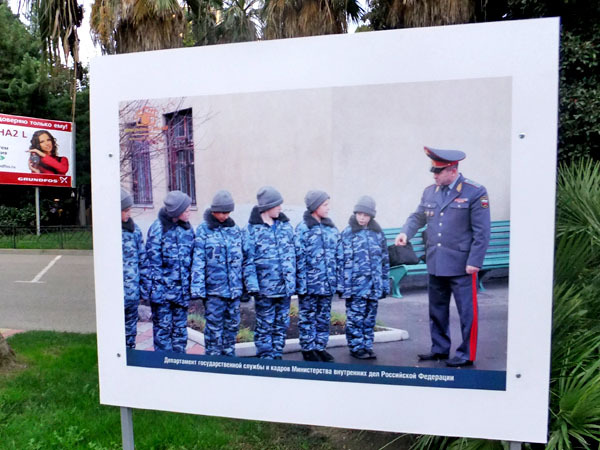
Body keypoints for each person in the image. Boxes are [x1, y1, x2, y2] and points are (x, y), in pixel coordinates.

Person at [395, 146, 491, 367]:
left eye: (438, 171)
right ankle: (439, 348)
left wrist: (475, 261)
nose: (434, 175)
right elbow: (418, 216)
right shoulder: (430, 191)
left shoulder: (474, 192)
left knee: (467, 312)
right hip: (436, 261)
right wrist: (405, 233)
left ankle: (466, 354)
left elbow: (482, 231)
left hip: (462, 264)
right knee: (437, 309)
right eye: (434, 171)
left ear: (453, 170)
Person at [191, 190, 252, 357]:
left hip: (234, 291)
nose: (225, 216)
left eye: (228, 212)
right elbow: (198, 260)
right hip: (214, 292)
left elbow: (244, 258)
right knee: (214, 330)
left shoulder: (235, 230)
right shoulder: (204, 230)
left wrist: (246, 286)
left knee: (232, 327)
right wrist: (197, 288)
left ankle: (229, 359)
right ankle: (213, 361)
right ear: (214, 210)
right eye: (222, 212)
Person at [242, 186, 296, 359]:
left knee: (282, 324)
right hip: (264, 289)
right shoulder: (251, 230)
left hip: (284, 288)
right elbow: (248, 261)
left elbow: (294, 255)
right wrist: (252, 286)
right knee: (265, 325)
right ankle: (265, 356)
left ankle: (277, 353)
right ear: (267, 206)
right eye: (277, 204)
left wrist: (293, 280)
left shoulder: (286, 227)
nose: (280, 208)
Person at [338, 196, 390, 360]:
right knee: (355, 317)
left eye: (365, 215)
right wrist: (343, 286)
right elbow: (341, 261)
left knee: (369, 317)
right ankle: (356, 347)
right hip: (355, 286)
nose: (361, 218)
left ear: (371, 216)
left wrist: (384, 283)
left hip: (374, 284)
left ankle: (367, 345)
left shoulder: (377, 234)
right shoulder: (348, 233)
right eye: (359, 214)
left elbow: (384, 260)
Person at [144, 190, 195, 353]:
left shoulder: (187, 229)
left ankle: (180, 363)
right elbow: (152, 265)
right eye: (186, 210)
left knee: (180, 334)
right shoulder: (157, 229)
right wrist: (156, 294)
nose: (189, 213)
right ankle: (163, 365)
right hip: (163, 295)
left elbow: (192, 259)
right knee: (163, 334)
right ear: (176, 212)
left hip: (182, 294)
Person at [294, 190, 339, 362]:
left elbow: (338, 255)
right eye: (325, 205)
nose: (328, 208)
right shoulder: (303, 229)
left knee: (323, 317)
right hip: (310, 284)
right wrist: (301, 284)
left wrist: (336, 280)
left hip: (327, 283)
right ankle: (308, 348)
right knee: (308, 317)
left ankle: (320, 347)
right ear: (315, 207)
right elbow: (298, 258)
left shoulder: (331, 229)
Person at [121, 188, 148, 349]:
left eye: (129, 210)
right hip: (115, 296)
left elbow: (142, 261)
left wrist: (144, 290)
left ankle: (130, 353)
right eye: (125, 211)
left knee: (130, 333)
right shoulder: (108, 232)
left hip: (132, 294)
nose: (128, 214)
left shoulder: (134, 230)